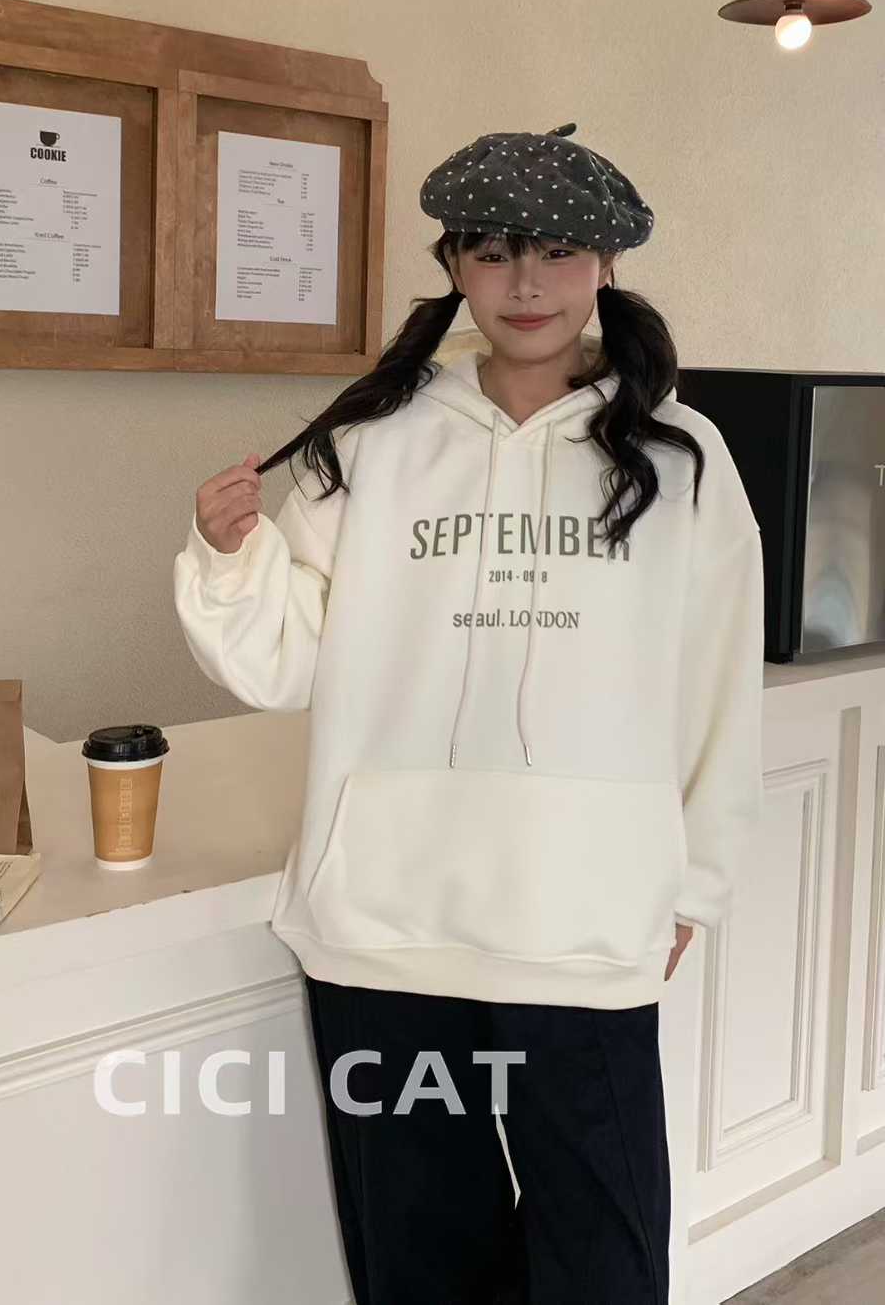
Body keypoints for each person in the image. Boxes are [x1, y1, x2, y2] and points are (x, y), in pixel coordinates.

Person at [173, 124, 764, 1303]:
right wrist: (228, 554)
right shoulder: (372, 438)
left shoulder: (681, 456)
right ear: (452, 264)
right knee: (418, 1264)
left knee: (603, 1265)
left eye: (557, 250)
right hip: (382, 919)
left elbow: (718, 684)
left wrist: (694, 882)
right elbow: (283, 663)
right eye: (492, 251)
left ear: (606, 263)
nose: (526, 283)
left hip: (582, 922)